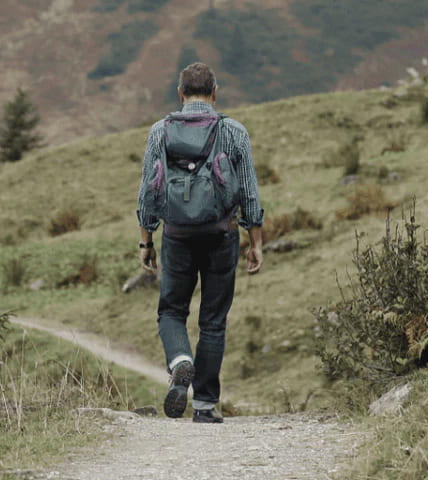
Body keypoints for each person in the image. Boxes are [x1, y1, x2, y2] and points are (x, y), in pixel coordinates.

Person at [137, 62, 264, 423]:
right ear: (215, 92)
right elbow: (250, 192)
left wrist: (146, 240)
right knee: (213, 320)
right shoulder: (234, 131)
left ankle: (180, 360)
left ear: (180, 94)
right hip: (221, 234)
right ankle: (206, 405)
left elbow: (148, 191)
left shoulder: (159, 132)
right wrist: (255, 240)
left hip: (176, 235)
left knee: (172, 310)